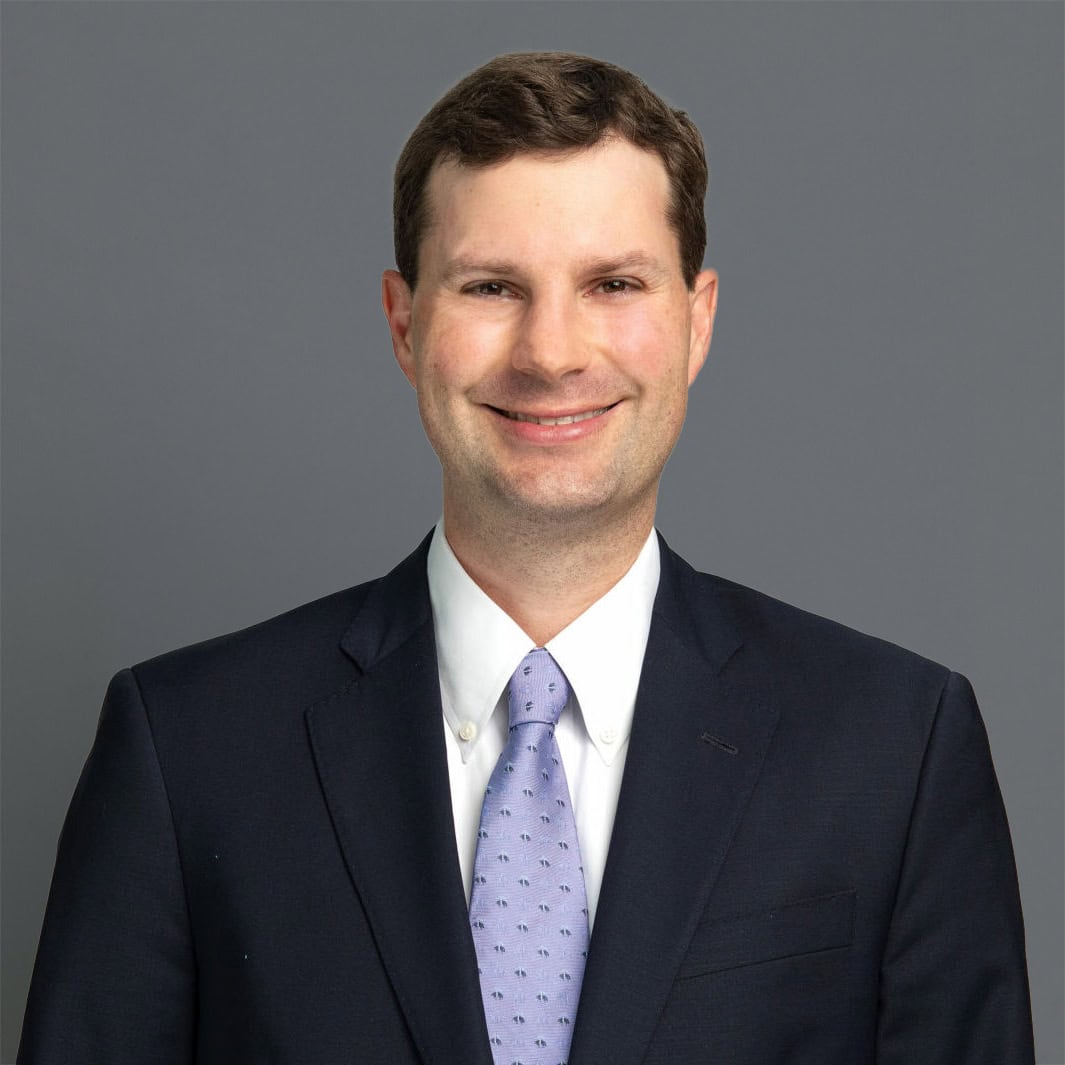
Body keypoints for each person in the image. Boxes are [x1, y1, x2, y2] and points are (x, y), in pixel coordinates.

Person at [18, 52, 1033, 1065]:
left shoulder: (894, 751)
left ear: (696, 322)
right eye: (492, 286)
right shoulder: (186, 750)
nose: (551, 354)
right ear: (405, 323)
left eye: (614, 283)